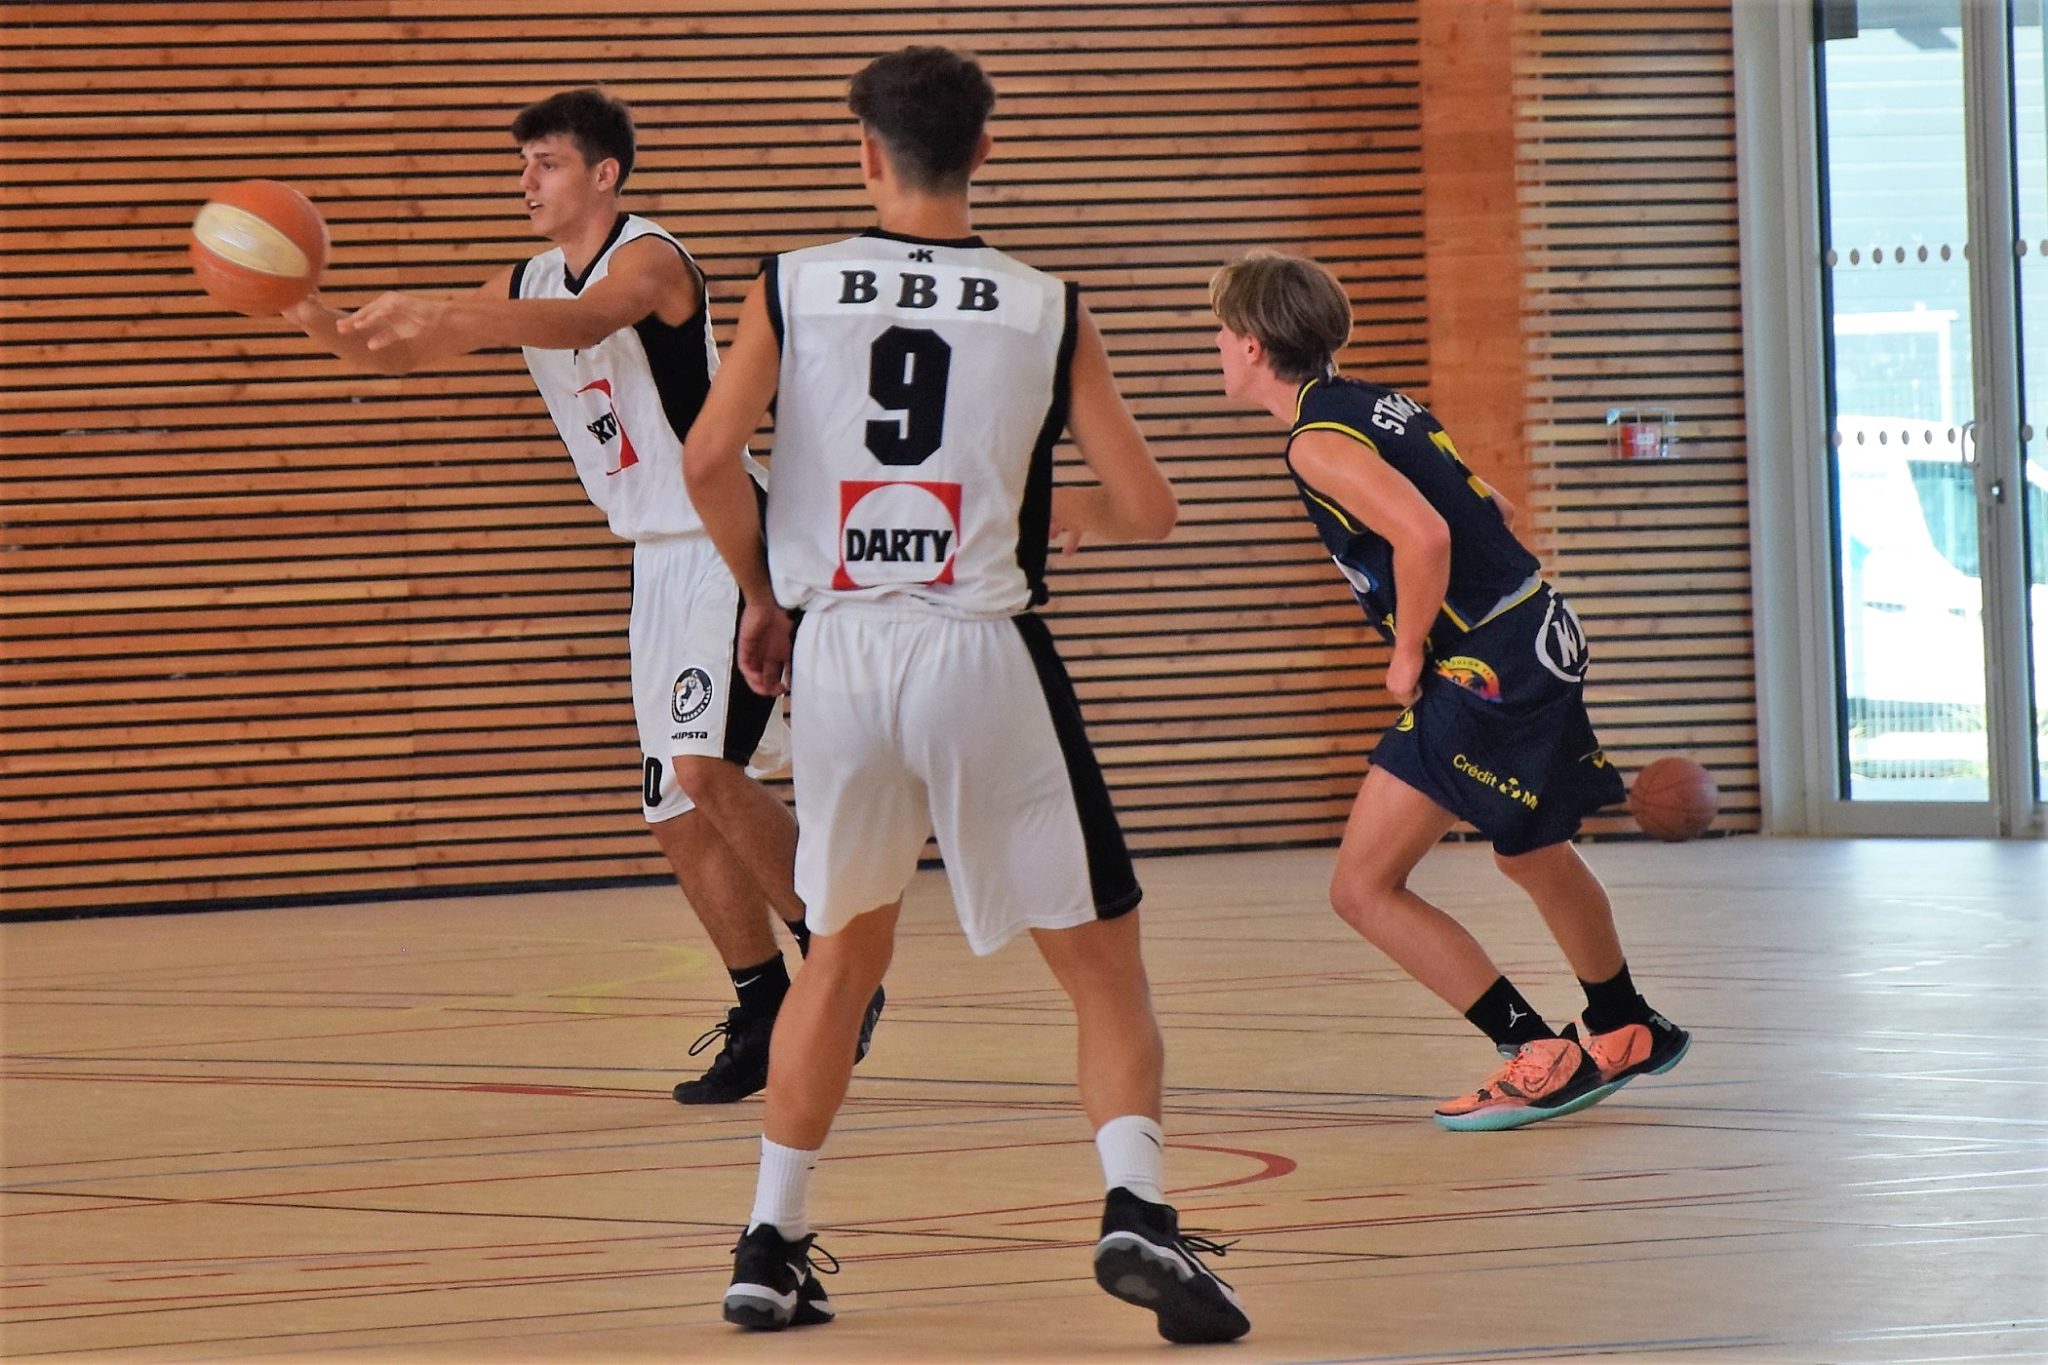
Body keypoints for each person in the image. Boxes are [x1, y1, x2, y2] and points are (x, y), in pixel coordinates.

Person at [682, 46, 1250, 1345]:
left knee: (842, 953)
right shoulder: (1045, 306)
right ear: (985, 150)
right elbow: (1149, 508)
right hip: (980, 651)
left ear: (864, 153)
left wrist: (764, 595)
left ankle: (769, 1242)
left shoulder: (792, 284)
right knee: (1102, 967)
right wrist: (1022, 516)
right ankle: (1137, 1208)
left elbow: (710, 458)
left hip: (838, 654)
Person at [280, 87, 880, 1104]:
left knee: (704, 768)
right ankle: (762, 1003)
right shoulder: (521, 280)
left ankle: (840, 965)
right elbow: (397, 350)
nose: (526, 180)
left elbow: (586, 320)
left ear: (604, 174)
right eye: (521, 165)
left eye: (546, 162)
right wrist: (303, 308)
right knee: (671, 809)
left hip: (726, 537)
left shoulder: (651, 259)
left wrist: (454, 310)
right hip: (653, 559)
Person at [1208, 250, 1690, 1132]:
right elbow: (1493, 507)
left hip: (1488, 663)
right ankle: (1625, 1023)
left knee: (1363, 886)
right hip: (1540, 628)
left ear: (1250, 344)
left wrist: (1406, 653)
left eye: (1219, 331)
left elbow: (1425, 537)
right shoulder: (1375, 402)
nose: (1215, 346)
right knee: (1530, 851)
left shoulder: (1315, 440)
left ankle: (1537, 1052)